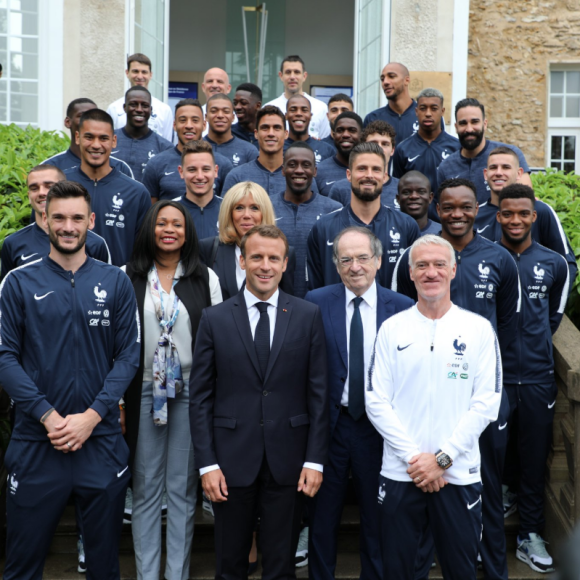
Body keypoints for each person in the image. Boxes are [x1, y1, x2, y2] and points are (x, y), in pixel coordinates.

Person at [0, 181, 140, 579]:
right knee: (22, 568)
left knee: (103, 567)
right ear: (44, 219)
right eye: (58, 216)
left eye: (77, 217)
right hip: (37, 443)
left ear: (91, 221)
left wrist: (92, 416)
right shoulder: (18, 283)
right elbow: (4, 357)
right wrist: (48, 416)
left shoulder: (116, 281)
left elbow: (129, 354)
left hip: (100, 442)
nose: (67, 226)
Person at [393, 178, 520, 580]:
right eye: (448, 207)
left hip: (480, 399)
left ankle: (493, 569)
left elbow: (510, 327)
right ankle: (431, 559)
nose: (457, 213)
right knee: (430, 488)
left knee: (487, 486)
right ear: (436, 208)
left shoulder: (499, 258)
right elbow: (402, 307)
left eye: (465, 206)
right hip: (429, 403)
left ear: (477, 207)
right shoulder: (418, 254)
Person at [190, 223, 329, 580]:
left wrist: (315, 460)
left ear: (285, 264)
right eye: (257, 257)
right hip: (230, 463)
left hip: (290, 461)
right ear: (242, 261)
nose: (265, 265)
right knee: (230, 565)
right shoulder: (214, 318)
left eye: (273, 258)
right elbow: (201, 397)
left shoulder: (307, 314)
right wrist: (207, 465)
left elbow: (318, 394)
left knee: (281, 566)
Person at [367, 234, 502, 580]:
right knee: (398, 573)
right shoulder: (391, 329)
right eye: (422, 265)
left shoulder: (479, 329)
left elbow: (486, 403)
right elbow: (376, 401)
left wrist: (443, 459)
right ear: (410, 273)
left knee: (461, 571)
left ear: (453, 270)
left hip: (458, 476)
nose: (431, 272)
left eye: (439, 264)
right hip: (402, 473)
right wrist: (417, 460)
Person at [305, 227, 414, 580]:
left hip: (378, 431)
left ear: (379, 261)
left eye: (363, 258)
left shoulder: (401, 309)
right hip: (329, 428)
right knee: (322, 520)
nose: (355, 266)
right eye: (346, 259)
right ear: (336, 266)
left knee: (376, 519)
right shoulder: (315, 302)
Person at [123, 200, 223, 580]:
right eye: (161, 223)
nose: (169, 229)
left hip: (190, 393)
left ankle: (176, 574)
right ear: (149, 228)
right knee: (146, 490)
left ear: (187, 232)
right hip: (144, 391)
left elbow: (216, 340)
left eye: (177, 224)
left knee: (182, 490)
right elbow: (118, 342)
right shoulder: (127, 276)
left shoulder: (204, 278)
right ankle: (148, 575)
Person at [496, 184, 569, 574]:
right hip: (496, 378)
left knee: (534, 458)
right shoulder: (487, 257)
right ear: (498, 216)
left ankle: (530, 534)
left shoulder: (553, 262)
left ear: (534, 217)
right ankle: (484, 531)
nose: (515, 220)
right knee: (491, 457)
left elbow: (554, 315)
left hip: (539, 377)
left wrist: (537, 344)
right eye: (507, 213)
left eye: (523, 214)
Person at [308, 142, 420, 291]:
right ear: (349, 175)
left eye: (376, 169)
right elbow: (315, 290)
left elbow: (415, 287)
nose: (369, 175)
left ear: (384, 176)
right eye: (362, 169)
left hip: (394, 314)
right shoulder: (323, 228)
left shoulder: (406, 226)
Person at [64, 108, 151, 267]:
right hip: (65, 284)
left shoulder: (136, 193)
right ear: (77, 137)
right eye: (89, 137)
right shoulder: (60, 185)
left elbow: (144, 253)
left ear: (114, 141)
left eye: (103, 138)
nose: (96, 145)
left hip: (118, 286)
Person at [476, 146, 577, 282]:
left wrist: (553, 302)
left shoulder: (540, 211)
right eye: (493, 168)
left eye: (506, 167)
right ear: (485, 174)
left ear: (519, 173)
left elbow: (566, 263)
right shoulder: (475, 215)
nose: (498, 173)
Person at [0, 165, 110, 281]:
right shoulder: (13, 243)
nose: (41, 193)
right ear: (28, 196)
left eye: (49, 187)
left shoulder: (96, 243)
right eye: (34, 188)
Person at [198, 181, 296, 300]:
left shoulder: (286, 252)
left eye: (254, 208)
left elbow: (287, 302)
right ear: (229, 213)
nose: (246, 215)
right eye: (239, 208)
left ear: (264, 213)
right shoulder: (208, 248)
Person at [271, 142, 342, 298]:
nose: (299, 170)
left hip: (321, 301)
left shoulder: (334, 210)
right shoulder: (266, 206)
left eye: (306, 165)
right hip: (275, 300)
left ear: (315, 171)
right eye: (292, 164)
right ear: (283, 170)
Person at [436, 98, 532, 205]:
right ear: (456, 127)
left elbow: (526, 201)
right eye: (463, 123)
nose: (469, 129)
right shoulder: (446, 167)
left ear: (485, 124)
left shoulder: (510, 155)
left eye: (474, 122)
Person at [142, 98, 233, 201]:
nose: (189, 126)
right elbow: (151, 212)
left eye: (195, 120)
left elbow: (227, 207)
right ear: (175, 125)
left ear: (204, 125)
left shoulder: (223, 164)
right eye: (183, 120)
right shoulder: (156, 164)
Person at [222, 105, 319, 198]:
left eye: (277, 128)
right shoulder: (237, 176)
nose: (271, 133)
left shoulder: (303, 177)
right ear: (256, 134)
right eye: (265, 128)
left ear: (286, 134)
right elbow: (224, 213)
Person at [392, 88, 459, 209]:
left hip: (448, 217)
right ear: (416, 111)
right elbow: (398, 187)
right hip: (413, 219)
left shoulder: (457, 147)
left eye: (434, 108)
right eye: (423, 108)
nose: (428, 113)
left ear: (442, 111)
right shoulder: (403, 149)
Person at [43, 98, 134, 178]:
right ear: (67, 122)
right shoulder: (50, 167)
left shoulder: (121, 167)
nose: (89, 121)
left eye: (94, 116)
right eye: (82, 116)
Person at [363, 63, 442, 145]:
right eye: (382, 79)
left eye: (391, 76)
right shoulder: (373, 118)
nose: (385, 82)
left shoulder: (426, 115)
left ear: (406, 80)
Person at [329, 120, 399, 208]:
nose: (379, 148)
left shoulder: (401, 188)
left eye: (385, 144)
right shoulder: (340, 189)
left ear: (392, 150)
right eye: (373, 143)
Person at [107, 53, 173, 141]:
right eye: (135, 71)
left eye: (144, 72)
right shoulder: (114, 109)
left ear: (151, 75)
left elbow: (167, 146)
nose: (140, 76)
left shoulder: (164, 110)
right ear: (127, 73)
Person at [113, 87, 174, 183]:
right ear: (124, 107)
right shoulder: (109, 140)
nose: (139, 109)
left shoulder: (165, 147)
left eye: (144, 106)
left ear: (151, 109)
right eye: (133, 104)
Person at [265, 55, 330, 138]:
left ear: (304, 76)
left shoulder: (320, 108)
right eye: (288, 72)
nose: (292, 77)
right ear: (281, 76)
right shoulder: (269, 108)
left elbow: (324, 142)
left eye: (297, 72)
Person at [173, 140, 223, 240]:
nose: (200, 176)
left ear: (215, 171)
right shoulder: (170, 210)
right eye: (192, 170)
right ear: (181, 172)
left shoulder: (229, 209)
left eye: (206, 169)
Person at [315, 112, 364, 197]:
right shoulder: (319, 171)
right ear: (333, 135)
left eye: (352, 130)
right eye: (340, 130)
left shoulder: (371, 171)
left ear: (361, 135)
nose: (345, 135)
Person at [203, 94, 258, 167]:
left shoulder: (249, 151)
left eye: (226, 111)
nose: (220, 115)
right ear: (206, 117)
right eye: (214, 111)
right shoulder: (194, 148)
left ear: (233, 117)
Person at [284, 95, 335, 163]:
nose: (299, 113)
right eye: (293, 110)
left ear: (310, 116)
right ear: (286, 116)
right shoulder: (277, 149)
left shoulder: (326, 149)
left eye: (304, 110)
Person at [396, 171, 441, 236]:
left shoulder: (442, 233)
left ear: (430, 198)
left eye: (421, 192)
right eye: (406, 192)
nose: (414, 196)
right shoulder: (388, 231)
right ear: (398, 199)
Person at [200, 67, 235, 136]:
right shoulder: (195, 116)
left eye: (219, 81)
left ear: (228, 88)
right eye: (210, 81)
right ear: (203, 87)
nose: (214, 85)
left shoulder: (237, 120)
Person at [232, 83, 262, 147]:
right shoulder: (229, 134)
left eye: (243, 103)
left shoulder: (267, 134)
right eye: (235, 103)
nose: (237, 107)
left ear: (258, 106)